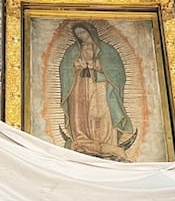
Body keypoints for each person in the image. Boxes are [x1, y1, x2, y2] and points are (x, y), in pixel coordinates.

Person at [58, 22, 136, 161]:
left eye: (83, 32)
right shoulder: (72, 51)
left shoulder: (108, 51)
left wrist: (99, 67)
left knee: (103, 113)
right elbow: (64, 70)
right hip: (80, 87)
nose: (81, 36)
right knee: (82, 114)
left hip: (101, 86)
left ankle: (107, 144)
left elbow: (118, 72)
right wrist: (75, 67)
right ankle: (83, 141)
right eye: (78, 34)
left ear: (91, 31)